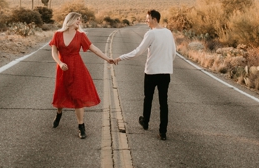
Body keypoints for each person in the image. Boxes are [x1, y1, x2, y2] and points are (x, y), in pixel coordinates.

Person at [115, 9, 179, 140]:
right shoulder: (168, 33)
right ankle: (163, 131)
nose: (146, 21)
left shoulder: (151, 34)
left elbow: (138, 51)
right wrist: (166, 63)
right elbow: (173, 53)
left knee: (148, 98)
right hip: (165, 73)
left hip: (151, 72)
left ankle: (145, 122)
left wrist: (120, 58)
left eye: (148, 18)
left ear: (154, 19)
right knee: (163, 102)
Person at [49, 11, 112, 137]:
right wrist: (60, 63)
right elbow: (54, 53)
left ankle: (81, 126)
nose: (79, 21)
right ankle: (59, 113)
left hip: (77, 68)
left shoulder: (81, 35)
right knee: (61, 94)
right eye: (77, 19)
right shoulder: (58, 34)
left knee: (78, 97)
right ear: (70, 20)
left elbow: (94, 48)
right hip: (63, 68)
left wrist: (107, 58)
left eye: (80, 20)